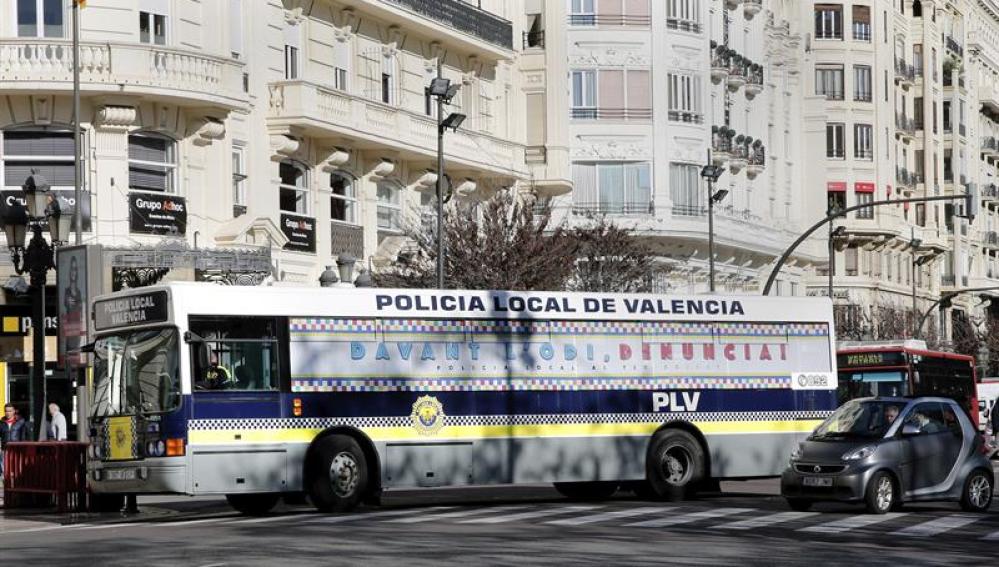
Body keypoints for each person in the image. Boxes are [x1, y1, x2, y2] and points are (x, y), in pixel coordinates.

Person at [1, 404, 28, 476]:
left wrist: (23, 447)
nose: (8, 413)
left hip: (17, 449)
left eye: (10, 411)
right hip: (5, 449)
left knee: (17, 468)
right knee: (5, 468)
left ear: (14, 411)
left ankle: (17, 483)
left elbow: (24, 436)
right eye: (6, 411)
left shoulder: (21, 422)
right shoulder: (1, 423)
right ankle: (6, 483)